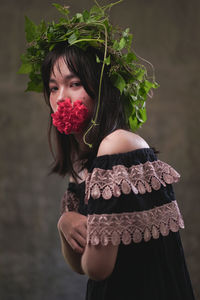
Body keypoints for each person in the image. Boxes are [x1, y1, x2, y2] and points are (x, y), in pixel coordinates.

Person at [20, 2, 195, 299]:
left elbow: (97, 268)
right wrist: (66, 224)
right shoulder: (81, 161)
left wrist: (69, 224)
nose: (61, 98)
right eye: (52, 87)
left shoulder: (117, 145)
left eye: (74, 84)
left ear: (101, 89)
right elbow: (77, 262)